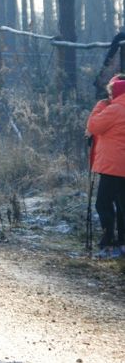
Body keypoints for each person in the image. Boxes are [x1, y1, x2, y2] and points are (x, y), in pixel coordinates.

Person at [86, 74, 125, 259]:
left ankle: (108, 242)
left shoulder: (116, 108)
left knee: (103, 203)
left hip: (113, 167)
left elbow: (93, 126)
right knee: (122, 205)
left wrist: (100, 106)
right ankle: (122, 243)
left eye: (111, 91)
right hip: (120, 167)